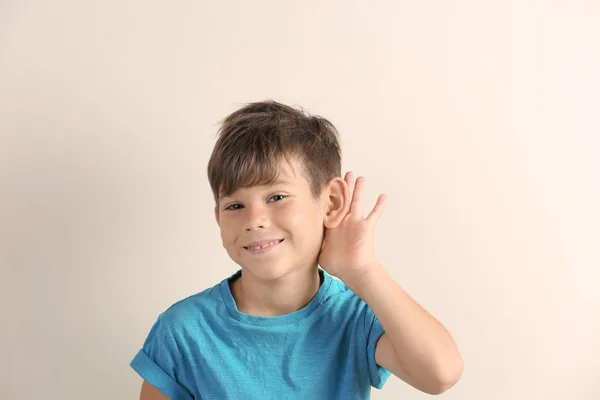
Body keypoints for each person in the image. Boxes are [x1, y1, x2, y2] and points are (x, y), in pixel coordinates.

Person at [130, 100, 463, 399]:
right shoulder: (184, 330)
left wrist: (362, 269)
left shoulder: (353, 318)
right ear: (218, 218)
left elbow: (440, 375)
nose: (254, 220)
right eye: (234, 206)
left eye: (276, 197)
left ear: (331, 202)